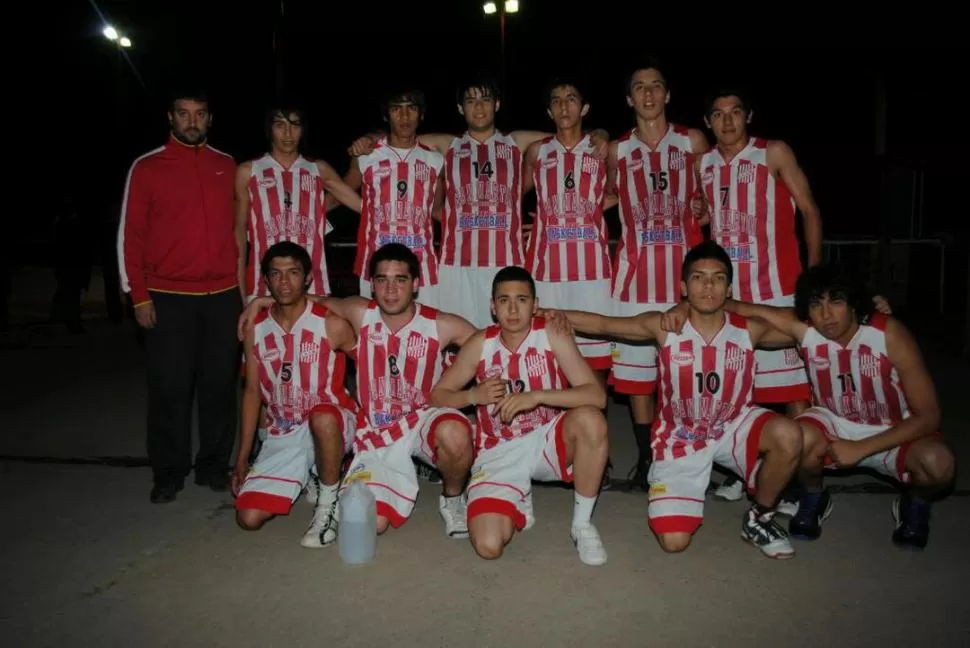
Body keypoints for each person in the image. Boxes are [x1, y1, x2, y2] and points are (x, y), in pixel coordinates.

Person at [545, 241, 805, 558]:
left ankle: (759, 519)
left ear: (729, 288)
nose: (708, 286)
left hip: (733, 426)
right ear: (683, 287)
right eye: (698, 277)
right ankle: (671, 477)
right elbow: (603, 324)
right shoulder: (665, 327)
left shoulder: (749, 329)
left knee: (788, 434)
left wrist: (740, 307)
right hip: (680, 438)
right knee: (674, 541)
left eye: (718, 278)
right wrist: (547, 314)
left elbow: (802, 328)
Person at [240, 243, 479, 536]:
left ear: (415, 284)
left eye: (400, 279)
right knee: (372, 524)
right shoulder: (359, 312)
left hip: (422, 420)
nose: (390, 290)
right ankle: (337, 473)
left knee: (455, 432)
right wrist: (263, 301)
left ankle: (453, 499)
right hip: (377, 430)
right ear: (372, 284)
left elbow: (490, 346)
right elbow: (305, 299)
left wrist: (467, 395)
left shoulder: (441, 324)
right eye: (382, 280)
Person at [717, 264, 955, 549]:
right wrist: (691, 305)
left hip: (891, 427)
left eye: (836, 302)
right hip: (835, 422)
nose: (826, 314)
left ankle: (915, 503)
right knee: (796, 438)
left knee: (939, 464)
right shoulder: (807, 329)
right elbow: (744, 309)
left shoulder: (888, 333)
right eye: (816, 304)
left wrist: (861, 448)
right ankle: (814, 496)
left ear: (854, 303)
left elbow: (929, 415)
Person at [345, 76, 609, 328]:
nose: (479, 107)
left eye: (485, 99)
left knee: (507, 338)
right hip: (456, 266)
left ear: (497, 104)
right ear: (461, 108)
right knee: (458, 340)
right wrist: (370, 137)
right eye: (470, 101)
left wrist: (600, 133)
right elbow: (398, 137)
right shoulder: (447, 145)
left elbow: (568, 131)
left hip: (506, 262)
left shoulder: (517, 142)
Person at [430, 266, 610, 564]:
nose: (513, 309)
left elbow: (596, 395)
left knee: (591, 419)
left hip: (547, 441)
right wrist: (473, 396)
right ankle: (515, 496)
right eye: (504, 300)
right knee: (488, 545)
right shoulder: (480, 344)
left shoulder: (551, 333)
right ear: (493, 306)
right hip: (498, 450)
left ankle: (582, 524)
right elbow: (438, 396)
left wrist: (537, 396)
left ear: (535, 305)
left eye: (522, 300)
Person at [117, 88, 241, 503]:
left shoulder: (226, 165)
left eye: (200, 114)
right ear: (170, 118)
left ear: (210, 119)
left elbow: (243, 228)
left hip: (223, 295)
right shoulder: (148, 167)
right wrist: (138, 295)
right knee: (169, 388)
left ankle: (213, 465)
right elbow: (130, 235)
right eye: (184, 114)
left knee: (219, 386)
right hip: (167, 296)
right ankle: (169, 471)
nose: (192, 121)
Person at [699, 88, 823, 501]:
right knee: (739, 388)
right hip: (730, 298)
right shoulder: (705, 164)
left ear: (748, 115)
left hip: (779, 293)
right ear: (708, 122)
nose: (728, 121)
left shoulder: (774, 153)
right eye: (718, 114)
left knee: (793, 391)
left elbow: (809, 209)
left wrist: (814, 278)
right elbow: (709, 214)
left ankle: (801, 483)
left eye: (735, 112)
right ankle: (747, 467)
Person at [605, 60, 709, 489]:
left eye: (656, 86)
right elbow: (604, 197)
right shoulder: (616, 149)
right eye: (640, 88)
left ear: (667, 94)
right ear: (629, 98)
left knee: (684, 375)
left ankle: (687, 453)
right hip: (633, 280)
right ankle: (647, 459)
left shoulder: (692, 141)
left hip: (683, 282)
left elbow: (710, 197)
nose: (648, 94)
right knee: (637, 381)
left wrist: (702, 206)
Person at [233, 242, 358, 548]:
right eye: (276, 274)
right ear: (266, 279)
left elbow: (371, 366)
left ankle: (328, 504)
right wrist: (242, 457)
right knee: (248, 518)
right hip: (285, 429)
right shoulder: (255, 328)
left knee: (322, 416)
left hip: (333, 422)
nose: (284, 282)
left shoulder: (331, 323)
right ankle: (313, 470)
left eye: (293, 273)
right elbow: (252, 393)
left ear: (308, 278)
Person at [522, 77, 616, 380]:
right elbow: (509, 198)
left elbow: (622, 194)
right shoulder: (537, 152)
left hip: (593, 272)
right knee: (549, 355)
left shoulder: (602, 150)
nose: (564, 106)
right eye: (556, 100)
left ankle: (594, 410)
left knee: (596, 358)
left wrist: (587, 211)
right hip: (546, 271)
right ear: (549, 111)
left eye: (571, 99)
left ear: (584, 108)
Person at [235, 105, 362, 304]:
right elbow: (239, 234)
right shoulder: (248, 171)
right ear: (269, 129)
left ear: (303, 129)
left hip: (313, 286)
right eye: (280, 125)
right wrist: (241, 292)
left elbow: (365, 207)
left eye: (294, 125)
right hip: (263, 286)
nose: (288, 133)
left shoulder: (318, 169)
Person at [342, 89, 445, 306]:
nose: (404, 116)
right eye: (396, 109)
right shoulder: (366, 156)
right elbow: (342, 191)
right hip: (374, 265)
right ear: (386, 114)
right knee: (374, 326)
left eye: (411, 108)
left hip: (423, 267)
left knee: (425, 327)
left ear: (421, 115)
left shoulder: (435, 160)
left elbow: (437, 210)